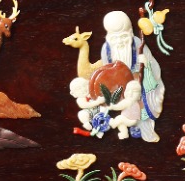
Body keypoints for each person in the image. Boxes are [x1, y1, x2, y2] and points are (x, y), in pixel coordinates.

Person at [71, 10, 165, 142]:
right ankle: (112, 126)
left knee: (142, 104)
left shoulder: (137, 43)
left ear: (130, 32)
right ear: (109, 36)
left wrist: (145, 63)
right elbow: (106, 71)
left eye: (123, 37)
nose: (120, 42)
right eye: (115, 38)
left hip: (137, 81)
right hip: (117, 84)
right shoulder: (106, 49)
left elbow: (150, 64)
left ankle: (145, 129)